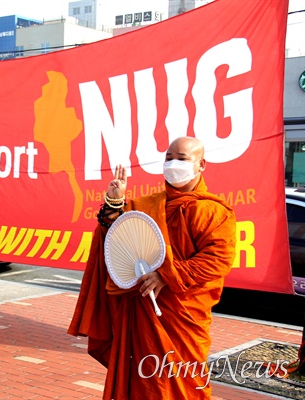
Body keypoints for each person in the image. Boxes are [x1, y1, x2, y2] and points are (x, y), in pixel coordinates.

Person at [68, 137, 237, 399]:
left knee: (184, 380)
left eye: (181, 158)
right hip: (144, 306)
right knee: (142, 379)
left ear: (201, 164)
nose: (173, 164)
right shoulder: (145, 205)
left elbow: (218, 259)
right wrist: (115, 202)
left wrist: (166, 275)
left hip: (182, 311)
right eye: (169, 158)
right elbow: (117, 238)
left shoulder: (213, 211)